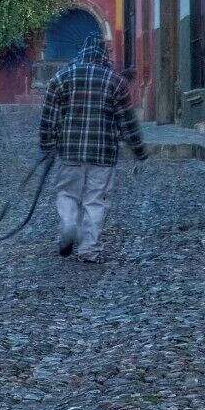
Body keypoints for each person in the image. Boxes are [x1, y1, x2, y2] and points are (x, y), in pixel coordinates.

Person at [37, 35, 145, 263]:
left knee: (67, 193)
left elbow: (49, 119)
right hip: (103, 153)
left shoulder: (61, 78)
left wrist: (47, 147)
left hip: (70, 152)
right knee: (95, 200)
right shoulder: (116, 82)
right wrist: (139, 151)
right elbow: (127, 123)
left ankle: (68, 224)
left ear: (81, 54)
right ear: (104, 57)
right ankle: (89, 250)